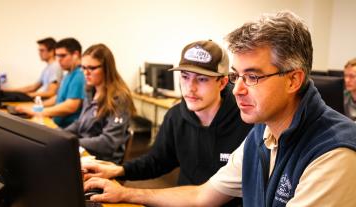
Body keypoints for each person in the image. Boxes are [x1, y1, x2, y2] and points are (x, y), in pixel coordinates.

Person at [83, 11, 356, 206]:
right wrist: (126, 193)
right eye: (238, 76)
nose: (237, 90)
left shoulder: (334, 153)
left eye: (253, 77)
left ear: (293, 79)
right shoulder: (261, 134)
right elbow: (203, 195)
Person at [82, 40, 253, 206]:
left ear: (222, 82)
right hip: (182, 200)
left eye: (201, 79)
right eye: (185, 77)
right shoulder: (176, 116)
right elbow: (158, 160)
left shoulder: (247, 122)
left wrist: (128, 192)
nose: (190, 88)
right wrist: (119, 170)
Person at [64, 43, 136, 163]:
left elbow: (108, 143)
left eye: (91, 68)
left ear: (107, 68)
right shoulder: (90, 90)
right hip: (85, 152)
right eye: (83, 67)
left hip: (103, 161)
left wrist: (72, 142)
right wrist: (60, 135)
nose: (86, 73)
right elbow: (80, 123)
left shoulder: (119, 98)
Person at [16, 38, 86, 128]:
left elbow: (70, 106)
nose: (59, 60)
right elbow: (58, 97)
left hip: (67, 129)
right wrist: (35, 106)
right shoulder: (69, 73)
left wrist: (38, 111)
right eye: (57, 56)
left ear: (76, 54)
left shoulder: (79, 75)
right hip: (58, 124)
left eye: (63, 56)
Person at [1, 37, 62, 101]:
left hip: (47, 104)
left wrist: (28, 95)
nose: (39, 53)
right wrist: (8, 90)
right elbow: (33, 87)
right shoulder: (48, 68)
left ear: (52, 51)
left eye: (42, 50)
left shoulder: (55, 67)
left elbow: (51, 93)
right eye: (39, 50)